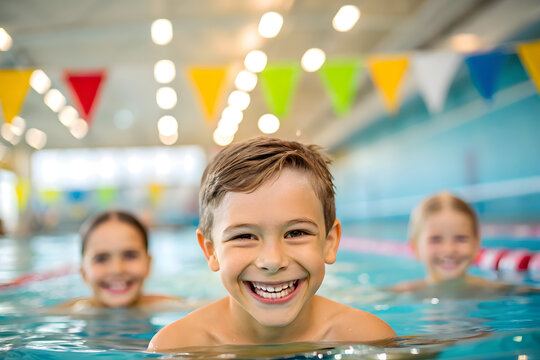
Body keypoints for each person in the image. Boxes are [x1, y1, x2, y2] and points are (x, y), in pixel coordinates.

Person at [148, 136, 395, 352]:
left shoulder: (368, 338)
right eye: (244, 237)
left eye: (296, 233)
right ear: (211, 251)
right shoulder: (180, 346)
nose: (273, 261)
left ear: (330, 242)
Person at [387, 191, 515, 296]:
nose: (449, 250)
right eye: (436, 239)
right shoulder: (402, 294)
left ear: (476, 244)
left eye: (460, 238)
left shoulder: (498, 291)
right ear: (415, 248)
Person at [57, 210, 184, 312]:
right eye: (101, 259)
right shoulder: (67, 313)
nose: (117, 269)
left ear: (148, 264)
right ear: (83, 272)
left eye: (130, 255)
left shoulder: (170, 307)